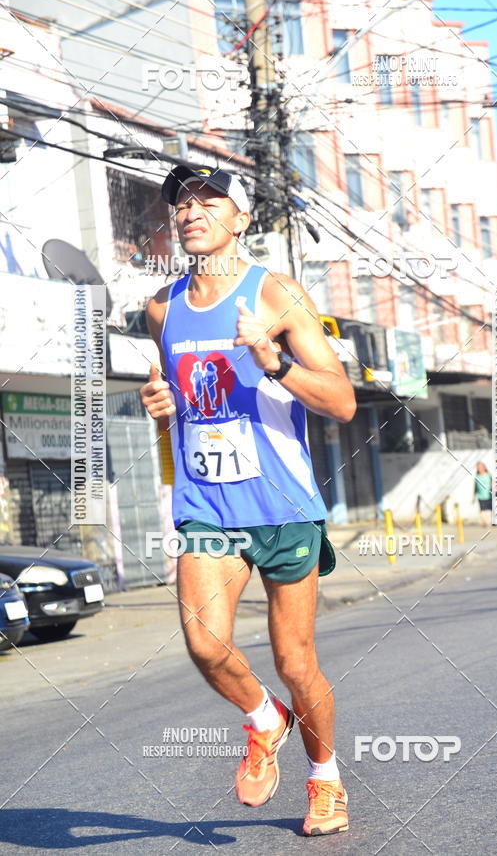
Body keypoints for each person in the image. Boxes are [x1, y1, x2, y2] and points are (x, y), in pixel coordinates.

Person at [140, 163, 356, 835]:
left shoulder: (278, 295)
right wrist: (161, 409)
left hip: (283, 505)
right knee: (205, 645)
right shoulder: (159, 307)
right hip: (207, 504)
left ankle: (326, 781)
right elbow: (183, 396)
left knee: (296, 660)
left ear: (241, 218)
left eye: (207, 198)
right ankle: (266, 718)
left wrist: (276, 363)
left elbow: (343, 403)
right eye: (181, 200)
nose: (190, 209)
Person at [473, 462, 492, 527]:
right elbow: (475, 487)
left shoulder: (488, 475)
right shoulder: (477, 476)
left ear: (484, 467)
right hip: (480, 496)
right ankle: (485, 522)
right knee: (482, 509)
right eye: (478, 468)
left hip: (488, 495)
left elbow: (493, 483)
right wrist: (473, 497)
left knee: (488, 509)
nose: (479, 469)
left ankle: (488, 522)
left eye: (480, 467)